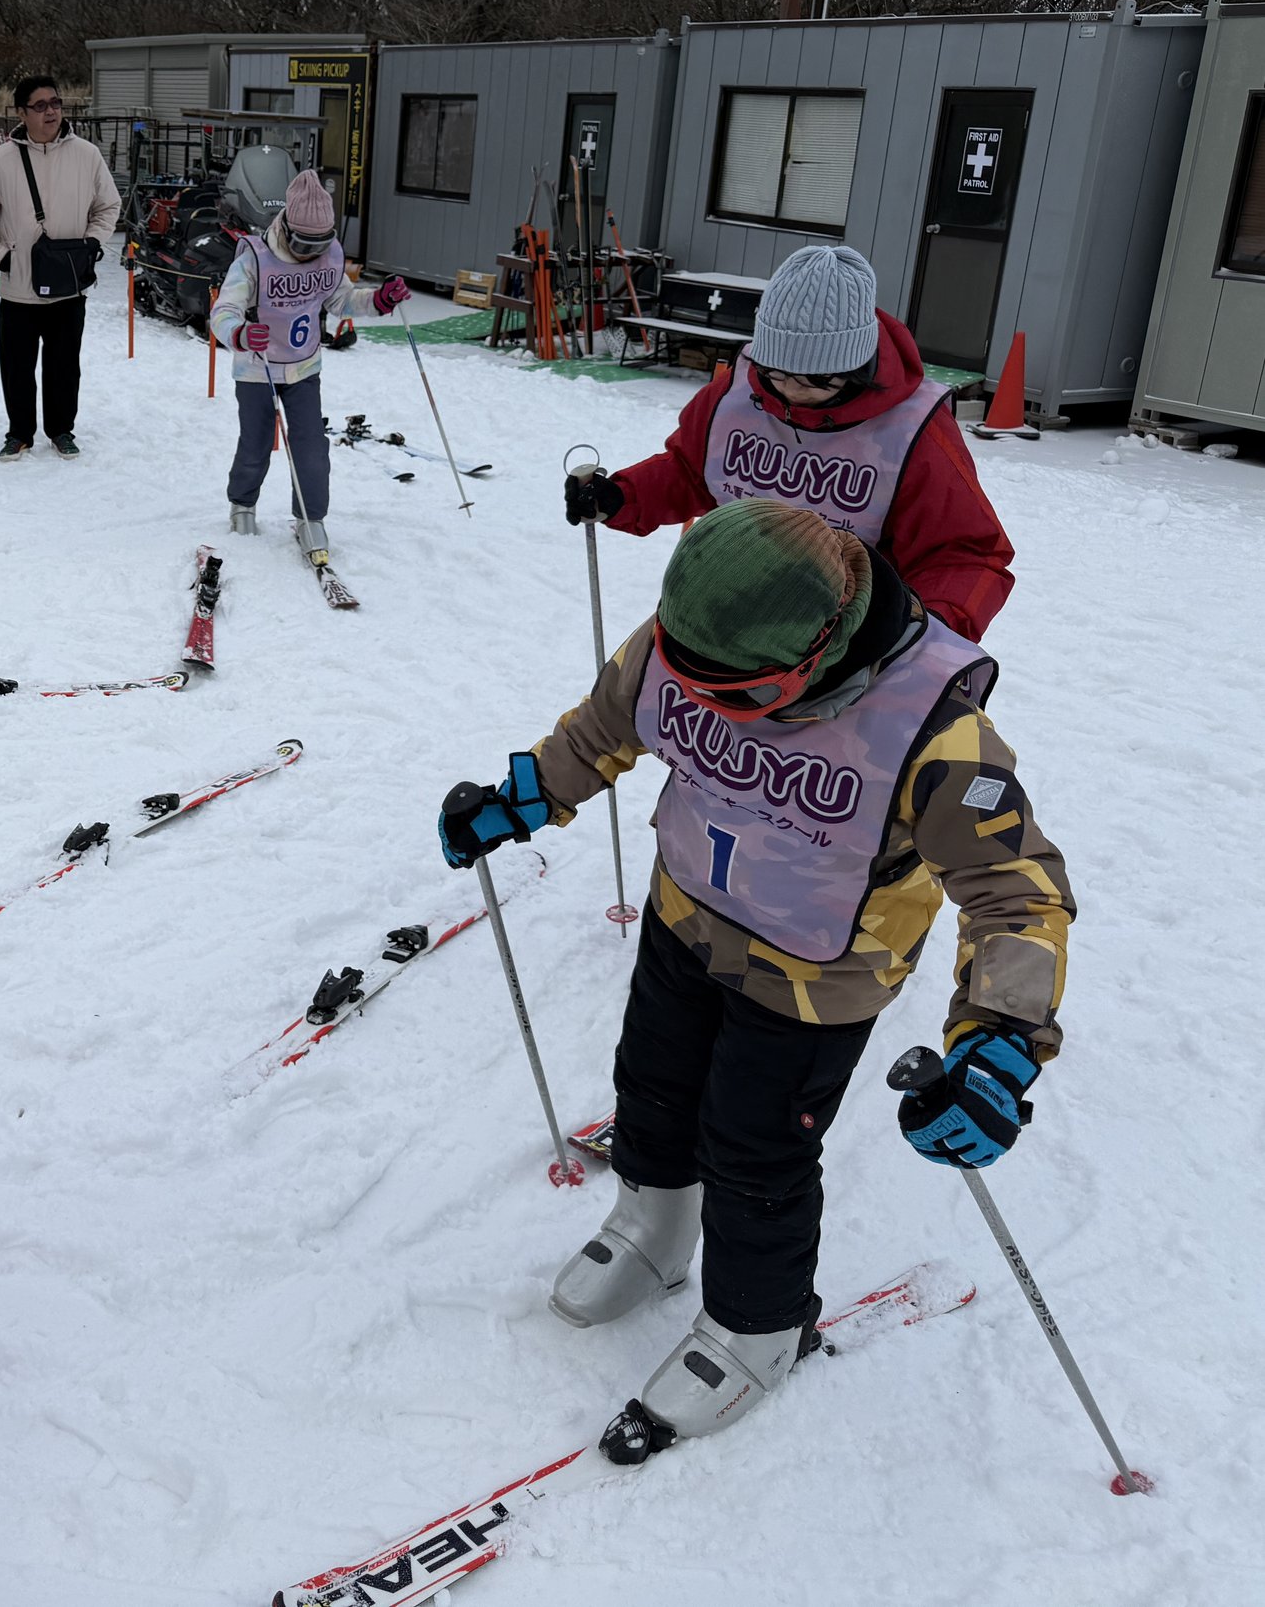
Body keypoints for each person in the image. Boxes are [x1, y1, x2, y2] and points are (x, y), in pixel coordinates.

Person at [438, 497, 1071, 1459]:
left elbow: (1015, 890)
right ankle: (653, 1228)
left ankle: (760, 1325)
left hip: (818, 971)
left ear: (817, 651)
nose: (703, 706)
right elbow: (606, 725)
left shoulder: (934, 730)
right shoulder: (686, 643)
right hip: (686, 911)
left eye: (736, 695)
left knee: (755, 1145)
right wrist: (525, 796)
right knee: (650, 1083)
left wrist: (999, 1040)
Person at [566, 244, 1014, 641]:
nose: (792, 392)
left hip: (846, 642)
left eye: (816, 380)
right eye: (776, 373)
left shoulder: (911, 430)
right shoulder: (738, 392)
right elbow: (691, 470)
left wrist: (922, 634)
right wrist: (622, 495)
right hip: (727, 618)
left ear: (857, 364)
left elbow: (966, 556)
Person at [208, 168, 409, 567]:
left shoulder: (328, 255)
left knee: (311, 446)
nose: (309, 252)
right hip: (257, 367)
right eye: (302, 242)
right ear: (285, 228)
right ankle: (242, 506)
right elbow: (224, 310)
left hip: (302, 368)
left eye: (319, 243)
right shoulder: (255, 258)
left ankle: (311, 518)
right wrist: (241, 333)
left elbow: (342, 301)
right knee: (256, 442)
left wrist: (380, 301)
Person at [0, 76, 121, 460]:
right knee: (17, 366)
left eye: (55, 102)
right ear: (21, 113)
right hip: (19, 284)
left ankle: (61, 429)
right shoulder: (3, 159)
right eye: (40, 105)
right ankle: (19, 432)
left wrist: (92, 245)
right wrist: (1, 256)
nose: (50, 111)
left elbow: (108, 206)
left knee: (65, 365)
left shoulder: (87, 155)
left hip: (69, 281)